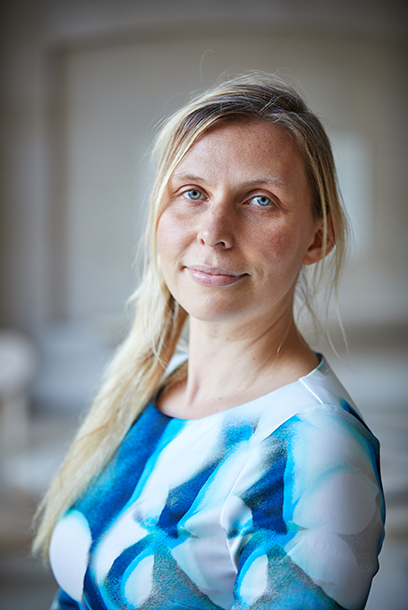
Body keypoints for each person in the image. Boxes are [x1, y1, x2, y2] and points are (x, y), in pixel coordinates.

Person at [34, 73, 385, 610]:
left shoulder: (313, 450)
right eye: (192, 193)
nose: (214, 230)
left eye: (261, 200)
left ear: (319, 237)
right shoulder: (152, 386)